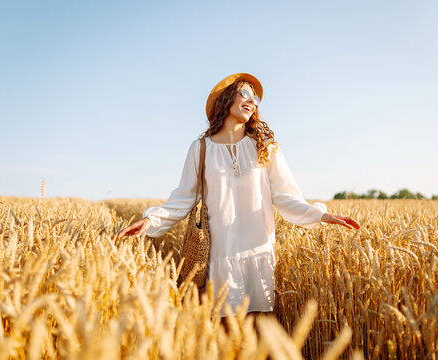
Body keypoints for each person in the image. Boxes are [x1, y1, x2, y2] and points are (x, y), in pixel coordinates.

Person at [114, 73, 360, 326]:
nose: (252, 100)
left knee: (257, 333)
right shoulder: (201, 148)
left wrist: (320, 214)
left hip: (258, 251)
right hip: (221, 254)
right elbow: (184, 197)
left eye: (255, 98)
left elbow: (285, 195)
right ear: (226, 98)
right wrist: (150, 221)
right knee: (226, 334)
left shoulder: (265, 146)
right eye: (245, 93)